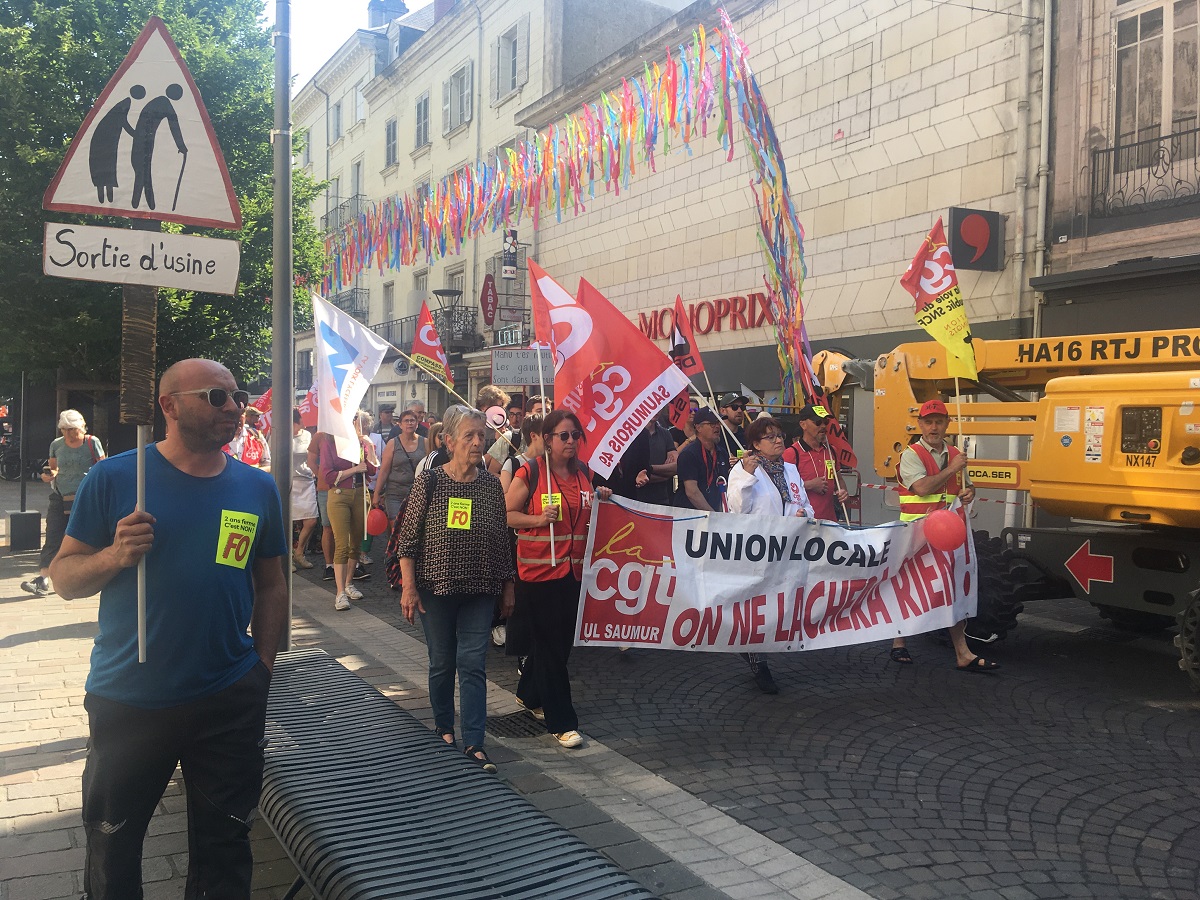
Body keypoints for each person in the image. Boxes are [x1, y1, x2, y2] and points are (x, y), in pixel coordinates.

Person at [49, 359, 288, 900]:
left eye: (237, 395)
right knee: (113, 849)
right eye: (216, 396)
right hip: (130, 699)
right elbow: (64, 578)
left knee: (226, 848)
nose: (235, 407)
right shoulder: (114, 480)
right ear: (168, 406)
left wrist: (261, 668)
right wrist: (114, 554)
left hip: (229, 698)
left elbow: (272, 585)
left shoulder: (256, 488)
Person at [396, 406, 515, 773]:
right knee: (442, 661)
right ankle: (444, 728)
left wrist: (508, 587)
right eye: (469, 435)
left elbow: (502, 540)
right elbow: (408, 540)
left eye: (482, 435)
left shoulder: (491, 485)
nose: (478, 442)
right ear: (449, 442)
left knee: (473, 663)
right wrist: (409, 588)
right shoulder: (429, 481)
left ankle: (475, 742)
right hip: (436, 587)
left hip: (480, 588)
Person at [506, 410, 612, 749]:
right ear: (547, 439)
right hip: (538, 575)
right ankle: (562, 720)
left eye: (574, 435)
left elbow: (589, 512)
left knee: (560, 643)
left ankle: (529, 693)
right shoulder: (532, 472)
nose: (570, 441)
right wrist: (538, 519)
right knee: (552, 646)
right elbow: (506, 514)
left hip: (573, 572)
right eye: (563, 436)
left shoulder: (584, 473)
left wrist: (602, 498)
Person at [890, 399, 996, 672]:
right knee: (911, 587)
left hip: (947, 534)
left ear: (947, 423)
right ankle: (898, 642)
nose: (933, 427)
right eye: (928, 422)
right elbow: (923, 488)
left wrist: (969, 491)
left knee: (949, 588)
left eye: (939, 421)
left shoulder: (955, 454)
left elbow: (966, 487)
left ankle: (962, 653)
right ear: (920, 424)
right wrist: (953, 468)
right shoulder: (912, 454)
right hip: (916, 534)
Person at [727, 416, 814, 694]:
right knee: (756, 607)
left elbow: (804, 504)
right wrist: (748, 477)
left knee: (776, 606)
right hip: (757, 551)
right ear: (755, 444)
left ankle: (754, 651)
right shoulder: (743, 470)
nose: (778, 441)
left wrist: (801, 514)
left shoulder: (790, 469)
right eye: (771, 437)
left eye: (780, 436)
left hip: (787, 550)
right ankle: (759, 662)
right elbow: (738, 509)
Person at [22, 410, 105, 597]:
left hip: (86, 497)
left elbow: (103, 467)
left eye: (72, 429)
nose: (68, 434)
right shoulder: (56, 444)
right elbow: (54, 468)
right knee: (53, 535)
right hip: (60, 497)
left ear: (81, 427)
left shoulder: (92, 442)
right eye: (65, 429)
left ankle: (88, 576)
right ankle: (43, 578)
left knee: (84, 536)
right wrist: (48, 476)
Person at [318, 411, 379, 611]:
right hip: (339, 495)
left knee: (356, 543)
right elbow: (327, 475)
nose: (359, 426)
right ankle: (339, 593)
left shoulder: (363, 443)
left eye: (361, 423)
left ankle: (348, 583)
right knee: (342, 544)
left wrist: (370, 449)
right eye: (355, 421)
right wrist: (354, 469)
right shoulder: (331, 442)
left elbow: (371, 470)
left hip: (360, 494)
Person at [783, 404, 849, 523]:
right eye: (818, 422)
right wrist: (810, 485)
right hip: (803, 523)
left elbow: (839, 480)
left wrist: (843, 491)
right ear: (803, 425)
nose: (823, 426)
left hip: (829, 521)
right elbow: (783, 489)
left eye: (825, 422)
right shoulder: (791, 453)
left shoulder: (831, 450)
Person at [675, 408, 731, 512]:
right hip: (690, 515)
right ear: (698, 427)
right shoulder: (689, 454)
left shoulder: (722, 452)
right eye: (712, 423)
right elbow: (692, 492)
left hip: (714, 512)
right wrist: (713, 515)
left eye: (718, 422)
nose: (717, 426)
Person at [375, 407, 426, 521]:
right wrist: (377, 494)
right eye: (406, 421)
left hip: (417, 494)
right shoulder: (393, 443)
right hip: (395, 493)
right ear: (400, 425)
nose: (409, 423)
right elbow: (384, 471)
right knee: (396, 528)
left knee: (413, 528)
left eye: (412, 421)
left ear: (417, 424)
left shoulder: (425, 443)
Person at [307, 430, 338, 583]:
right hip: (326, 488)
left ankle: (348, 563)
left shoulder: (349, 431)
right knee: (328, 526)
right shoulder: (320, 436)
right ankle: (329, 565)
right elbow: (311, 461)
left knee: (347, 527)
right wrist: (323, 477)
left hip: (347, 486)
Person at [291, 408, 319, 571]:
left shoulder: (307, 435)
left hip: (306, 480)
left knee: (311, 520)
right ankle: (287, 557)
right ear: (296, 420)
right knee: (288, 521)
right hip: (289, 481)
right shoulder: (281, 434)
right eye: (303, 418)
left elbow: (311, 457)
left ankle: (299, 552)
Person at [226, 406, 271, 472]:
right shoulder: (215, 440)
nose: (237, 418)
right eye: (232, 414)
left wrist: (251, 472)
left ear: (245, 416)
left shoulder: (256, 436)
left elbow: (268, 465)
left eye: (241, 414)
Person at [718, 392, 749, 459]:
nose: (740, 410)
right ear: (723, 411)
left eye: (742, 407)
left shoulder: (746, 435)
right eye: (734, 407)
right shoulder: (716, 435)